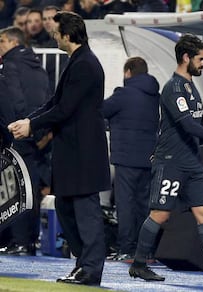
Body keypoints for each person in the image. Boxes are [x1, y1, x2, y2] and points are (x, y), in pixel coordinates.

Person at [128, 33, 203, 283]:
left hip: (192, 162)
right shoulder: (173, 88)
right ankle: (138, 264)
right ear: (186, 58)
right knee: (160, 215)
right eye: (201, 59)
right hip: (171, 161)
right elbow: (190, 127)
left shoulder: (191, 86)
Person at [8, 11, 111, 286]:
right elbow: (55, 102)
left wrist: (32, 126)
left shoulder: (86, 64)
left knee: (85, 212)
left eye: (56, 33)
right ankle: (83, 263)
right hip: (71, 152)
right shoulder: (76, 62)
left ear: (67, 35)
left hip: (84, 153)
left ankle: (91, 269)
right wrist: (29, 120)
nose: (53, 36)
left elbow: (64, 109)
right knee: (66, 208)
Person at [103, 56, 160, 261]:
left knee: (125, 204)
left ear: (128, 72)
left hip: (126, 158)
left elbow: (100, 111)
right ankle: (143, 249)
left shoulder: (123, 94)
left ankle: (125, 248)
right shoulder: (155, 96)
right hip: (148, 158)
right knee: (144, 204)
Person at [0, 26, 50, 256]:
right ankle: (28, 240)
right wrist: (37, 131)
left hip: (16, 134)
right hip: (35, 135)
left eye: (1, 41)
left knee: (14, 188)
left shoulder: (10, 66)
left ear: (12, 42)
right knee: (29, 186)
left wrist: (14, 130)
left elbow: (13, 102)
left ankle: (18, 241)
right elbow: (46, 100)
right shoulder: (38, 66)